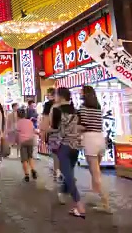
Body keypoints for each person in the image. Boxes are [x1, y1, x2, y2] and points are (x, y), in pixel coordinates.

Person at [51, 87, 85, 218]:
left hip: (63, 145)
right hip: (76, 146)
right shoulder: (76, 111)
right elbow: (80, 127)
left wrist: (44, 131)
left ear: (60, 97)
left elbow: (54, 128)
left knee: (69, 175)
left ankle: (79, 204)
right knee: (69, 171)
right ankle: (62, 192)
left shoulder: (56, 110)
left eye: (56, 95)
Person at [77, 85, 110, 212]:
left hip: (90, 139)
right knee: (95, 171)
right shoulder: (97, 107)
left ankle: (105, 202)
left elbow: (83, 125)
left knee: (95, 173)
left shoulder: (83, 107)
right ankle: (94, 195)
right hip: (100, 138)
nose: (80, 93)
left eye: (81, 92)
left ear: (85, 94)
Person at [40, 87, 61, 180]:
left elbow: (45, 118)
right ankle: (60, 170)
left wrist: (43, 132)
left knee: (55, 153)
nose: (47, 96)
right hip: (63, 131)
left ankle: (57, 171)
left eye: (48, 95)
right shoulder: (61, 103)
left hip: (52, 131)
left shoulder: (48, 104)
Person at [16, 108, 37, 182]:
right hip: (30, 141)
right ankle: (33, 170)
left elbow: (17, 132)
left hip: (23, 142)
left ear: (18, 115)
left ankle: (27, 175)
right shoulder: (29, 122)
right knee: (30, 157)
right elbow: (33, 130)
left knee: (24, 159)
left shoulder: (18, 123)